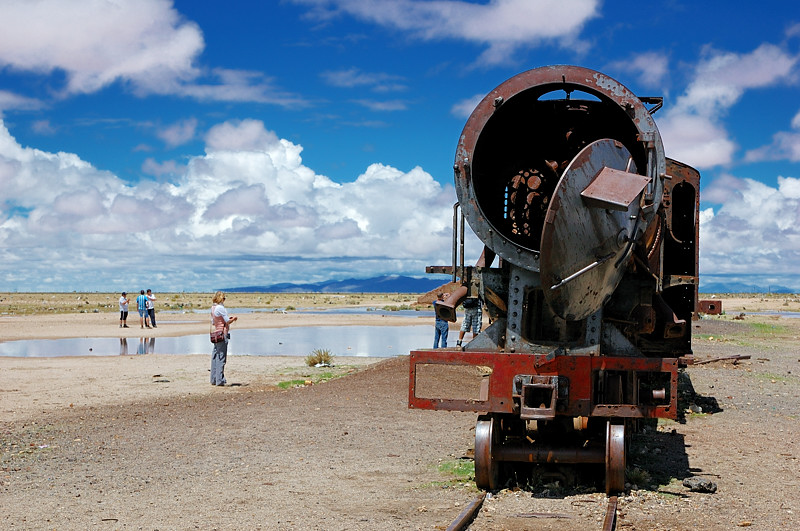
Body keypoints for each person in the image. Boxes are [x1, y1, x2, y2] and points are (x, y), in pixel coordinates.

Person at [210, 291, 238, 386]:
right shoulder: (221, 308)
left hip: (216, 333)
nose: (224, 300)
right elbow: (227, 321)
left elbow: (213, 322)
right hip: (222, 334)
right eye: (224, 298)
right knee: (221, 357)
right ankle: (220, 380)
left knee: (215, 356)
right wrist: (233, 319)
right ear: (221, 299)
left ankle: (213, 379)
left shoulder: (213, 308)